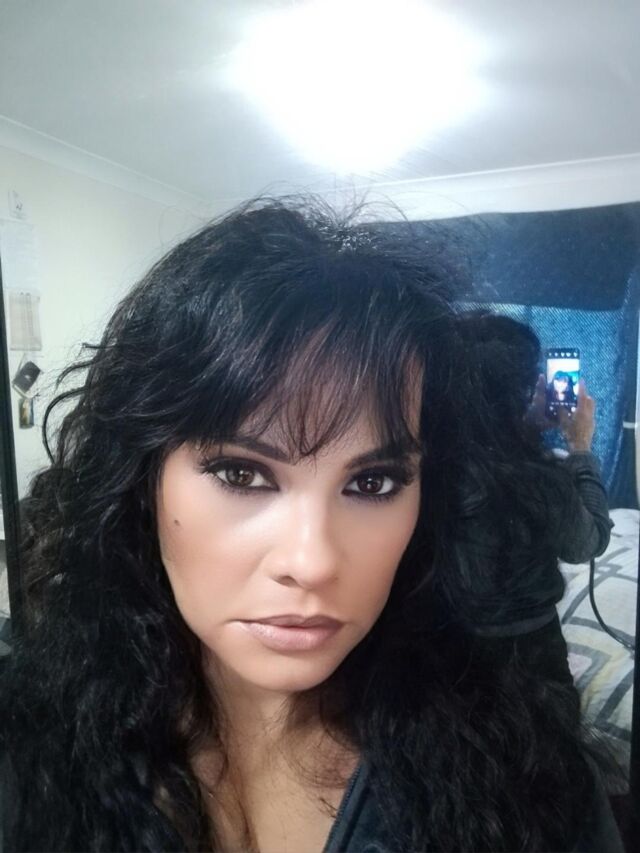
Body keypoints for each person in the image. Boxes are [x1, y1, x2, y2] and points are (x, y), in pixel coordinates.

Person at [0, 200, 623, 852]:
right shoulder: (31, 748)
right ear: (142, 477)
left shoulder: (529, 788)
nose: (313, 561)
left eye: (372, 483)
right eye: (242, 473)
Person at [454, 311, 612, 691]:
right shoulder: (540, 482)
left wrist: (527, 425)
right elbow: (588, 543)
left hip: (448, 649)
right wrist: (580, 445)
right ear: (522, 392)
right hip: (532, 657)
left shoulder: (425, 464)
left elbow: (486, 447)